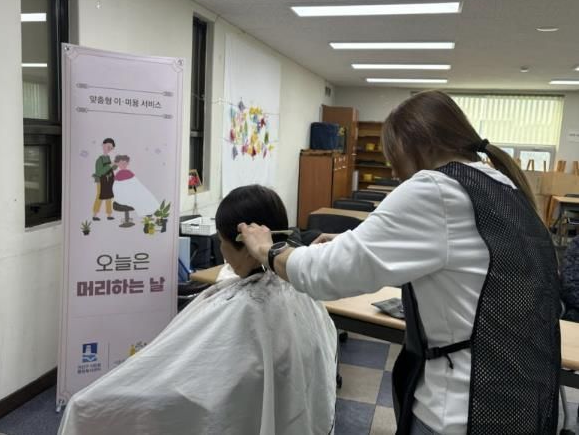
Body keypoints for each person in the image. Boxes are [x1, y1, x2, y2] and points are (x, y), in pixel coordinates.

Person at [239, 91, 561, 435]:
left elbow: (325, 274)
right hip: (518, 396)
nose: (393, 172)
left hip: (459, 411)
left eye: (394, 157)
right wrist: (352, 241)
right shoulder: (500, 184)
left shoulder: (436, 188)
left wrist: (267, 249)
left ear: (417, 145)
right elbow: (450, 248)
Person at [58, 185, 337, 435]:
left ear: (245, 245)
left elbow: (193, 388)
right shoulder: (301, 289)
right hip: (290, 414)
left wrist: (92, 405)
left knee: (86, 405)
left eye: (222, 241)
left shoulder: (247, 309)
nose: (221, 250)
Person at [92, 138, 117, 221]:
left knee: (109, 196)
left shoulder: (108, 158)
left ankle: (109, 214)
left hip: (109, 181)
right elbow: (99, 172)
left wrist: (115, 165)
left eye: (111, 148)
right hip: (101, 181)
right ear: (103, 145)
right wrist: (110, 166)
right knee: (99, 196)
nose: (109, 149)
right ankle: (95, 214)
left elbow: (111, 169)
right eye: (108, 147)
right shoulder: (99, 160)